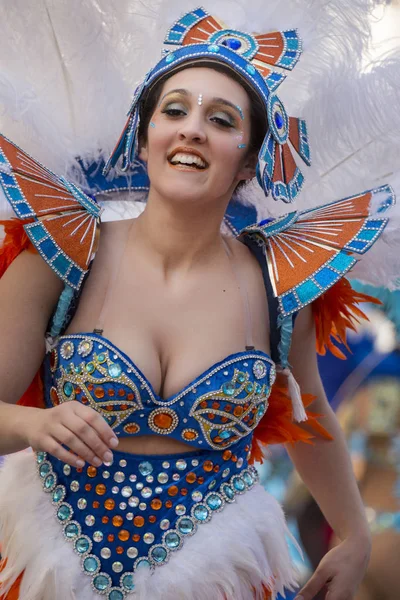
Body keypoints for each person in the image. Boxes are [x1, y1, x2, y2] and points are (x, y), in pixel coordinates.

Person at [0, 6, 395, 600]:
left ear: (248, 160)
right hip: (53, 566)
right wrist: (35, 421)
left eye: (222, 119)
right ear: (145, 134)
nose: (192, 129)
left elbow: (312, 420)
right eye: (175, 110)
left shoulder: (278, 286)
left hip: (222, 574)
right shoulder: (61, 257)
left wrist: (356, 533)